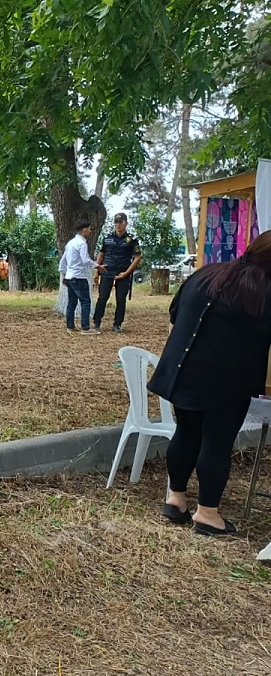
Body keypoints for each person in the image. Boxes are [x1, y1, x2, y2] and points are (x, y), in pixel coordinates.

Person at [148, 230, 271, 537]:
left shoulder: (207, 274)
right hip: (225, 379)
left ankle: (175, 499)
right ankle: (207, 514)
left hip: (183, 369)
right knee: (216, 443)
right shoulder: (263, 291)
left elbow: (175, 313)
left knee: (186, 432)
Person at [93, 212, 142, 333]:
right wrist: (96, 271)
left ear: (126, 223)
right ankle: (96, 323)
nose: (118, 225)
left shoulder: (131, 240)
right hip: (107, 271)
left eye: (120, 222)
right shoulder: (107, 238)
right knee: (102, 298)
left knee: (120, 299)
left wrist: (127, 273)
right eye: (116, 222)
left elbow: (137, 257)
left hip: (122, 273)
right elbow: (101, 254)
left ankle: (117, 324)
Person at [58, 219, 107, 334]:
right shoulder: (82, 243)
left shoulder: (70, 243)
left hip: (70, 277)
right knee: (85, 302)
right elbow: (85, 260)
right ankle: (85, 328)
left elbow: (63, 261)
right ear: (84, 229)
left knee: (71, 303)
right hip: (79, 277)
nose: (90, 231)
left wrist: (64, 275)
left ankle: (70, 326)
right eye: (89, 229)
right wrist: (97, 266)